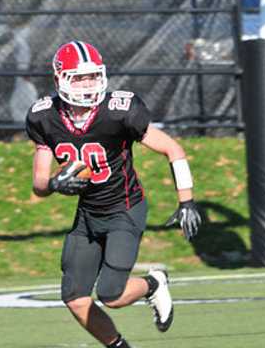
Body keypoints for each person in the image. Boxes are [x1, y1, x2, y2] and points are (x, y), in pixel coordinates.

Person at [26, 40, 202, 348]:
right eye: (79, 77)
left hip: (124, 208)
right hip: (88, 215)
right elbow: (39, 184)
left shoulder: (118, 110)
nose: (88, 83)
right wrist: (54, 184)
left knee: (112, 294)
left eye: (92, 76)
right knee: (75, 298)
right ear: (60, 80)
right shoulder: (44, 116)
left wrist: (186, 200)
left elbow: (172, 149)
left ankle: (153, 283)